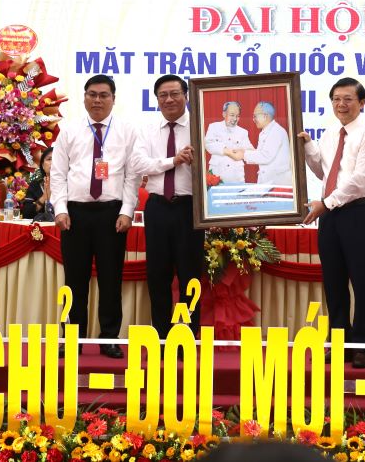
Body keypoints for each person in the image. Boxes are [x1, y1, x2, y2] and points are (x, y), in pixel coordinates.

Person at [51, 74, 139, 358]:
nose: (97, 100)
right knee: (74, 280)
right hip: (75, 215)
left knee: (111, 279)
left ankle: (109, 338)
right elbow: (58, 173)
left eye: (103, 95)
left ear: (113, 98)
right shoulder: (69, 130)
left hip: (111, 214)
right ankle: (72, 338)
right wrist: (61, 209)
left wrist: (127, 211)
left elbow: (132, 175)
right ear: (85, 97)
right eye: (92, 94)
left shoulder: (126, 130)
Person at [300, 77, 365, 369]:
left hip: (359, 211)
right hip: (331, 213)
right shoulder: (329, 133)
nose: (341, 104)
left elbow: (360, 179)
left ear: (361, 102)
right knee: (333, 281)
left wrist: (327, 203)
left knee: (362, 281)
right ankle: (339, 343)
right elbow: (323, 171)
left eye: (348, 99)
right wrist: (309, 146)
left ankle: (361, 346)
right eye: (336, 99)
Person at [131, 74, 205, 339]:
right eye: (163, 95)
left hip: (190, 210)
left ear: (186, 96)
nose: (169, 99)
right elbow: (139, 164)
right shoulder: (147, 130)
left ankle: (187, 336)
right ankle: (161, 337)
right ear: (157, 100)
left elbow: (214, 168)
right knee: (158, 276)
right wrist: (172, 161)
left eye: (175, 93)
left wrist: (199, 163)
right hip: (158, 208)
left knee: (190, 277)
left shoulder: (201, 126)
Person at [230, 101, 292, 186]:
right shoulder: (265, 131)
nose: (253, 120)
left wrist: (243, 154)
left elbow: (266, 156)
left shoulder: (276, 131)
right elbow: (261, 153)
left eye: (255, 116)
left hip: (278, 183)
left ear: (265, 116)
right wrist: (245, 151)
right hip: (268, 182)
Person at [203, 102, 251, 183]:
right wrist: (229, 152)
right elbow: (208, 145)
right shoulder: (214, 127)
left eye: (238, 116)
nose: (235, 119)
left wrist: (243, 153)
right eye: (232, 115)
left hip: (236, 177)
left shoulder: (243, 132)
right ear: (224, 114)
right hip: (217, 175)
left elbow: (249, 150)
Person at [21, 147, 54, 220]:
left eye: (57, 159)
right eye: (49, 159)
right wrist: (44, 197)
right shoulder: (35, 185)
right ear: (42, 165)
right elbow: (26, 214)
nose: (53, 162)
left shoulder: (69, 185)